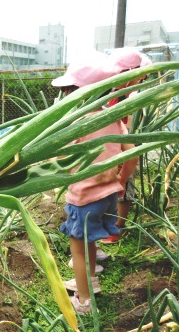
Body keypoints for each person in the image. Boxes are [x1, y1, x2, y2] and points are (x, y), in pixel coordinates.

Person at [52, 57, 139, 314]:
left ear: (80, 93)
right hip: (110, 195)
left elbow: (62, 159)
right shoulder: (112, 120)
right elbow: (131, 154)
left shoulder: (77, 123)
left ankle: (84, 301)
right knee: (89, 242)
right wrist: (120, 180)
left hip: (84, 198)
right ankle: (89, 283)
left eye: (69, 92)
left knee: (78, 249)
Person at [101, 48, 145, 244]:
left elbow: (131, 125)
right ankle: (108, 225)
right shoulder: (111, 93)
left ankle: (117, 227)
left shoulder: (133, 95)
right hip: (111, 146)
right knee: (109, 188)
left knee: (124, 188)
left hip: (125, 147)